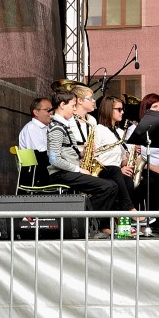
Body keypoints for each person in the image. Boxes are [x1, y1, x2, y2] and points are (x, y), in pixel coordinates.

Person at [46, 90, 118, 238]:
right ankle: (85, 222)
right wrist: (78, 169)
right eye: (72, 106)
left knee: (112, 185)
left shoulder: (63, 125)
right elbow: (54, 159)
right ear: (62, 105)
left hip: (69, 171)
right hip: (61, 174)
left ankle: (95, 223)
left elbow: (67, 151)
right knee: (106, 186)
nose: (74, 110)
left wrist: (82, 154)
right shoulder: (56, 128)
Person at [93, 96, 136, 211]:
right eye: (119, 109)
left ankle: (122, 217)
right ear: (109, 110)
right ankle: (130, 209)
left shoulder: (120, 132)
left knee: (128, 181)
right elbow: (93, 156)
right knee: (116, 172)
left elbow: (122, 160)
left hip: (116, 172)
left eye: (122, 109)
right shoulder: (98, 130)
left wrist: (129, 159)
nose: (122, 112)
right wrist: (119, 170)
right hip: (101, 170)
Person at [130, 93, 159, 211]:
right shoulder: (135, 129)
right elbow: (132, 157)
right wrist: (155, 168)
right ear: (146, 110)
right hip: (145, 170)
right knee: (153, 182)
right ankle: (150, 216)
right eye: (155, 106)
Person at [18, 97, 52, 185]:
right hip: (36, 175)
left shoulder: (48, 128)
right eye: (48, 110)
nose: (51, 112)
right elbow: (40, 153)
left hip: (46, 169)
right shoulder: (31, 128)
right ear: (36, 112)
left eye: (52, 110)